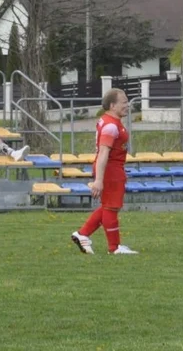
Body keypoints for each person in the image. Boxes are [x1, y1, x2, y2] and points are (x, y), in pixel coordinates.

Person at [71, 88, 137, 255]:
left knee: (108, 207)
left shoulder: (110, 121)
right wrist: (99, 180)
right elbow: (103, 152)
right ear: (112, 105)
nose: (127, 105)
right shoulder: (110, 125)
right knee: (111, 208)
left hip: (113, 167)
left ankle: (82, 234)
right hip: (110, 168)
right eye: (123, 102)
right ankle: (114, 248)